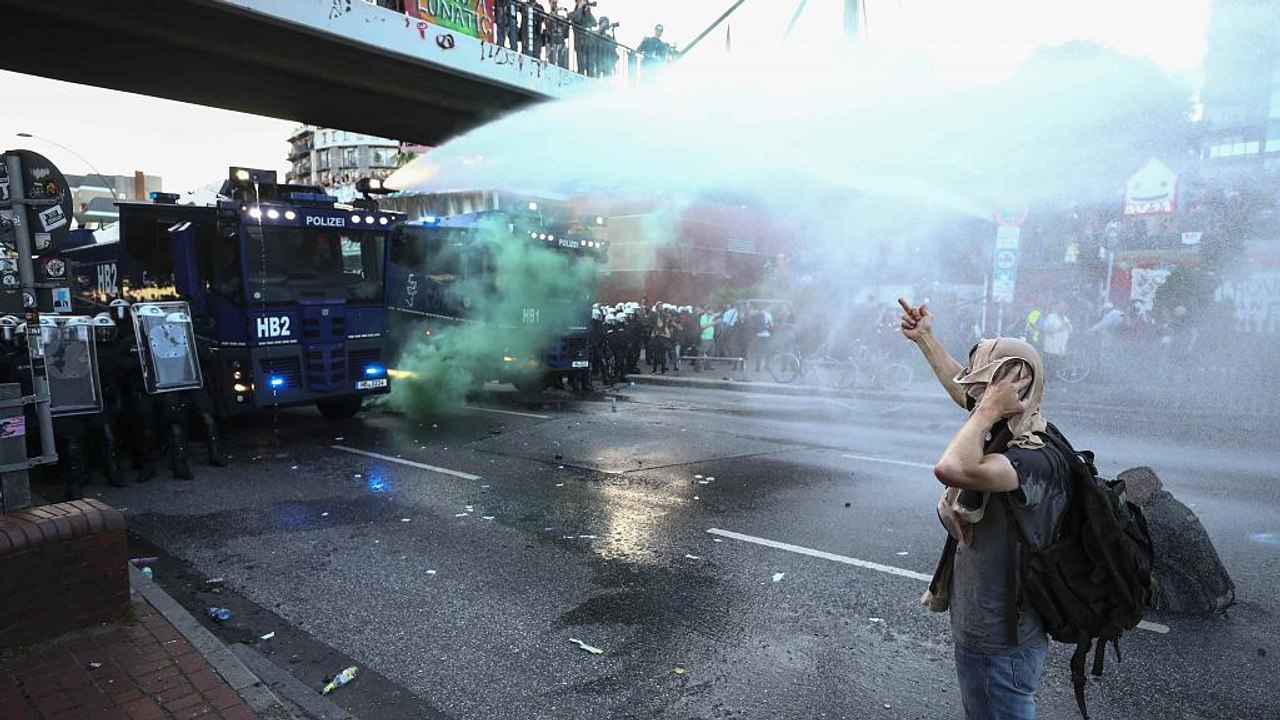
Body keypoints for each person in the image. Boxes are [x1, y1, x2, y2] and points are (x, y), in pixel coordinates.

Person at [899, 298, 1071, 720]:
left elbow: (952, 469)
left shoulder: (1033, 455)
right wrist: (925, 338)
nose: (979, 397)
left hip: (1002, 643)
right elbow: (964, 391)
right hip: (981, 630)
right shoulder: (1004, 429)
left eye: (990, 385)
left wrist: (990, 407)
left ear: (1013, 390)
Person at [1120, 466, 1235, 614]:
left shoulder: (1154, 517)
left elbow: (1151, 558)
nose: (1124, 497)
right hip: (1216, 587)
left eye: (1125, 491)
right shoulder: (1174, 506)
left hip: (1192, 597)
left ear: (1143, 488)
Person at [568, 0, 596, 75]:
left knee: (590, 68)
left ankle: (591, 77)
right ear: (577, 2)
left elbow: (594, 23)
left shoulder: (586, 14)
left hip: (589, 43)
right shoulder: (572, 14)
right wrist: (580, 7)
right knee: (581, 66)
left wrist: (589, 12)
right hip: (579, 42)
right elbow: (577, 19)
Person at [544, 0, 570, 68]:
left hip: (560, 41)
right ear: (549, 3)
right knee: (551, 64)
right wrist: (554, 12)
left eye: (556, 3)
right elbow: (546, 22)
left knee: (562, 63)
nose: (555, 5)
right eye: (553, 3)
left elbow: (567, 26)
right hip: (551, 42)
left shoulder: (562, 17)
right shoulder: (547, 15)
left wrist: (566, 14)